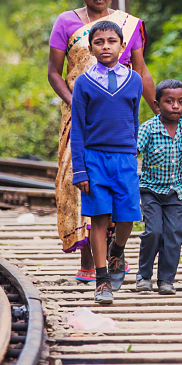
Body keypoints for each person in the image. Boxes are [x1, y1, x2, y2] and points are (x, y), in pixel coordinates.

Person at [48, 0, 157, 280]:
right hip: (78, 116)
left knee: (119, 192)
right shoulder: (66, 22)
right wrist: (75, 103)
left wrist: (159, 112)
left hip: (117, 118)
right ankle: (89, 261)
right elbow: (55, 72)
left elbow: (141, 71)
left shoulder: (126, 26)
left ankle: (112, 254)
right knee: (79, 183)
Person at [71, 20, 143, 305]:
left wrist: (133, 151)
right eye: (99, 42)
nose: (105, 47)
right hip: (94, 159)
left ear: (122, 46)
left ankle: (117, 251)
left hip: (125, 158)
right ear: (91, 48)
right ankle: (102, 281)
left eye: (111, 41)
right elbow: (78, 128)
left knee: (127, 217)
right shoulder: (83, 83)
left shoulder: (134, 80)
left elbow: (135, 118)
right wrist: (80, 168)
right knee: (99, 219)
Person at [136, 79, 182, 295]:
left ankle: (166, 280)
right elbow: (133, 150)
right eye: (169, 101)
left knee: (174, 234)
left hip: (176, 192)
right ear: (157, 105)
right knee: (153, 232)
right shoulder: (148, 129)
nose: (175, 106)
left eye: (181, 102)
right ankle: (144, 276)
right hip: (150, 190)